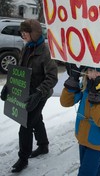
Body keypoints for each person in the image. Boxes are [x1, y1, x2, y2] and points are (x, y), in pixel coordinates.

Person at [0, 19, 58, 173]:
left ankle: (23, 158)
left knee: (25, 125)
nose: (22, 35)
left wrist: (39, 93)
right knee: (36, 119)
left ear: (34, 33)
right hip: (26, 92)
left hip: (40, 94)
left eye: (25, 32)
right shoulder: (26, 48)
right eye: (22, 32)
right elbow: (19, 69)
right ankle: (43, 145)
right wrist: (8, 86)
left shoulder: (45, 52)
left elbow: (52, 77)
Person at [60, 65, 100, 176]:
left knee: (85, 173)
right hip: (82, 137)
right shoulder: (85, 87)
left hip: (97, 141)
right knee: (91, 168)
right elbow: (66, 102)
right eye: (90, 70)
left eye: (97, 72)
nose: (92, 75)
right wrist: (72, 82)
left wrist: (95, 97)